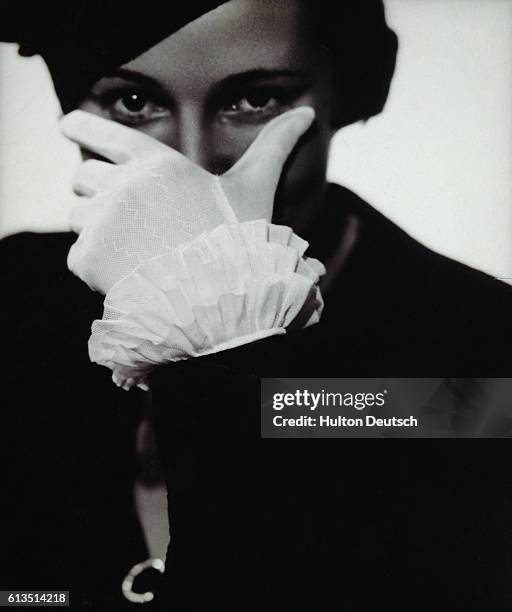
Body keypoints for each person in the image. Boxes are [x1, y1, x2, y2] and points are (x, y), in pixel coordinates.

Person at [1, 1, 512, 610]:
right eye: (134, 104)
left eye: (255, 100)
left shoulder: (482, 348)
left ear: (353, 91)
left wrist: (226, 340)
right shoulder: (12, 301)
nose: (191, 164)